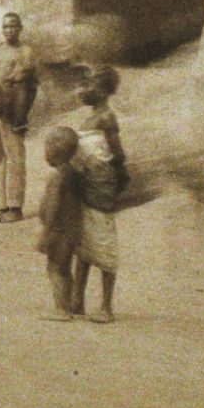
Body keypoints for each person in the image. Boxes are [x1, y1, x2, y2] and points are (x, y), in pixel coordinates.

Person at [72, 65, 128, 322]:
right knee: (84, 243)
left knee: (103, 242)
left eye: (92, 85)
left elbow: (119, 155)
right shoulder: (92, 116)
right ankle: (77, 300)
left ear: (104, 91)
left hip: (101, 185)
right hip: (85, 184)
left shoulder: (106, 118)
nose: (86, 89)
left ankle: (106, 307)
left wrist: (109, 177)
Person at [0, 12, 39, 223]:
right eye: (6, 27)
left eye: (13, 26)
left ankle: (16, 207)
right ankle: (1, 206)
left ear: (20, 28)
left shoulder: (26, 52)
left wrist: (22, 113)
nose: (9, 30)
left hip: (14, 113)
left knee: (16, 159)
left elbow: (32, 87)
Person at [35, 126, 85, 321]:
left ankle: (61, 309)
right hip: (72, 229)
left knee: (54, 269)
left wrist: (45, 231)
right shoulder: (72, 173)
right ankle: (72, 304)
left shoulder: (57, 178)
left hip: (58, 229)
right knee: (65, 268)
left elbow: (54, 204)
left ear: (53, 151)